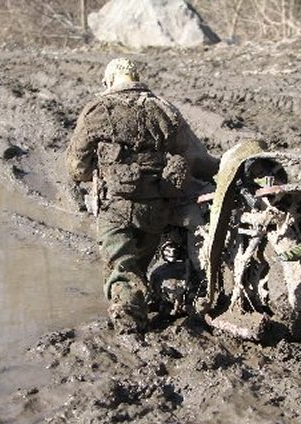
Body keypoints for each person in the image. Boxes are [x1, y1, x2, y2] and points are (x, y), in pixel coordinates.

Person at [64, 58, 217, 333]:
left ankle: (129, 319)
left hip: (115, 208)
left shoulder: (97, 110)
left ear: (110, 81)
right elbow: (195, 156)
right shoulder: (162, 109)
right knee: (141, 263)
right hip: (155, 209)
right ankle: (147, 295)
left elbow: (77, 167)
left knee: (121, 268)